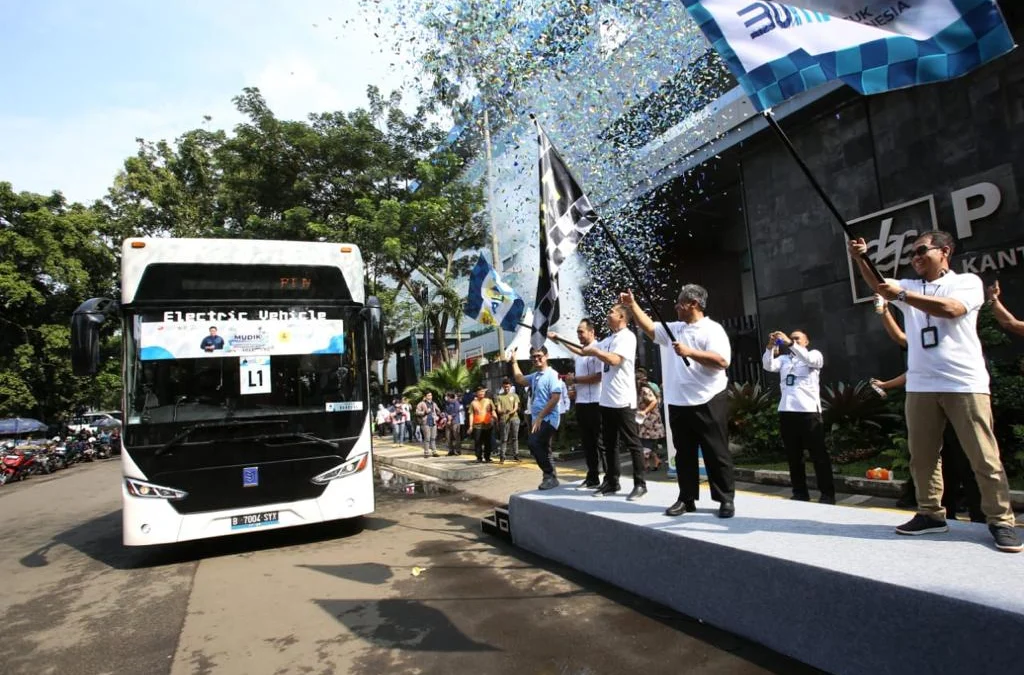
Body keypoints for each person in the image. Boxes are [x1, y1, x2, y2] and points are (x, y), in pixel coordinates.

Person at [850, 232, 1020, 552]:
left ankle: (1000, 520)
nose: (914, 257)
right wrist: (861, 258)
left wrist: (902, 295)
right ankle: (930, 514)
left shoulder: (966, 282)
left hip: (963, 384)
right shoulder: (910, 286)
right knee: (923, 457)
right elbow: (879, 285)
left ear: (944, 252)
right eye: (911, 253)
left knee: (983, 456)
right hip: (921, 385)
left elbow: (952, 310)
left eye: (921, 251)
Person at [620, 285, 735, 518]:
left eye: (680, 302)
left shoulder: (712, 330)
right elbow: (650, 328)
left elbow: (722, 361)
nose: (676, 306)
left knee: (716, 451)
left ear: (693, 304)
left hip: (709, 398)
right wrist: (632, 305)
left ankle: (725, 499)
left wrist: (689, 352)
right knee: (684, 454)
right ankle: (686, 498)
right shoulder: (675, 328)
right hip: (679, 402)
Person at [871, 294, 983, 522]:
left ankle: (985, 518)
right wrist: (883, 310)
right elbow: (902, 341)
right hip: (932, 407)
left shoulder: (959, 336)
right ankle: (942, 515)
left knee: (975, 461)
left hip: (962, 400)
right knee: (938, 464)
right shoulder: (923, 339)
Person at [559, 303, 646, 500]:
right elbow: (583, 351)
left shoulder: (627, 337)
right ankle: (611, 482)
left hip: (623, 399)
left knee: (632, 443)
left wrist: (596, 352)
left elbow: (615, 360)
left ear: (622, 317)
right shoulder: (607, 339)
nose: (608, 314)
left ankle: (640, 483)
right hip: (606, 401)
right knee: (609, 444)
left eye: (611, 312)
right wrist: (559, 339)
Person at [762, 329, 836, 504]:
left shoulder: (813, 355)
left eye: (797, 338)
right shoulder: (785, 360)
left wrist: (789, 343)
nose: (793, 340)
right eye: (791, 337)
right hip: (787, 412)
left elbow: (810, 360)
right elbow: (768, 365)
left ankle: (827, 494)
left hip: (809, 412)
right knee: (794, 456)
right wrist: (771, 345)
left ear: (806, 341)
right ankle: (800, 493)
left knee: (818, 455)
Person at [509, 345, 562, 490]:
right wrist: (514, 361)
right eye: (533, 356)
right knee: (544, 448)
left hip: (548, 418)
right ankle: (551, 477)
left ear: (546, 356)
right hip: (538, 419)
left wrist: (539, 417)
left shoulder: (552, 374)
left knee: (534, 443)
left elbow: (555, 398)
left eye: (539, 356)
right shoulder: (535, 376)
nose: (536, 359)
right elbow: (520, 379)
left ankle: (549, 475)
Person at [561, 319, 605, 488]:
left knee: (601, 443)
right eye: (577, 332)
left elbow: (598, 377)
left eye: (581, 331)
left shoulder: (599, 349)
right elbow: (576, 350)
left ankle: (609, 478)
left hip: (597, 402)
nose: (578, 335)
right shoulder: (580, 355)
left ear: (592, 332)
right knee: (587, 443)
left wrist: (576, 379)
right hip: (581, 402)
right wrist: (574, 389)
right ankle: (592, 476)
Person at [636, 368, 664, 472]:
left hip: (650, 421)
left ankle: (646, 463)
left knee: (646, 442)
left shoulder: (645, 390)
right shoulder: (639, 390)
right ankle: (655, 461)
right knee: (647, 442)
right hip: (644, 421)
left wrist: (644, 411)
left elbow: (654, 402)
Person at [466, 385, 497, 463]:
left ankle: (487, 457)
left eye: (483, 391)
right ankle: (479, 457)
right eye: (480, 392)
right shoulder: (473, 403)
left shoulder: (489, 400)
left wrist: (496, 419)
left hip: (488, 425)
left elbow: (493, 411)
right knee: (478, 442)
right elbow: (471, 414)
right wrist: (470, 426)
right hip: (477, 425)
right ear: (476, 393)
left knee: (488, 442)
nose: (482, 393)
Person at [494, 378, 521, 463]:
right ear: (502, 386)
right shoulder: (499, 397)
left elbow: (516, 406)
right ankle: (502, 456)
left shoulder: (515, 395)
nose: (506, 388)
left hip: (515, 418)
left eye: (508, 387)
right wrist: (504, 411)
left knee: (515, 438)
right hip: (504, 419)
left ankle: (516, 455)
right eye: (505, 387)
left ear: (510, 386)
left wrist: (512, 411)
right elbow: (498, 410)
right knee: (504, 438)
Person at [415, 392, 442, 458]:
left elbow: (438, 411)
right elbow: (417, 412)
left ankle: (434, 452)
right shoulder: (421, 403)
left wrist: (438, 414)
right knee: (427, 438)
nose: (430, 396)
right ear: (425, 396)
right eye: (429, 395)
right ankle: (426, 453)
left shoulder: (433, 403)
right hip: (425, 423)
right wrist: (424, 412)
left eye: (431, 395)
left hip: (433, 422)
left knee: (433, 438)